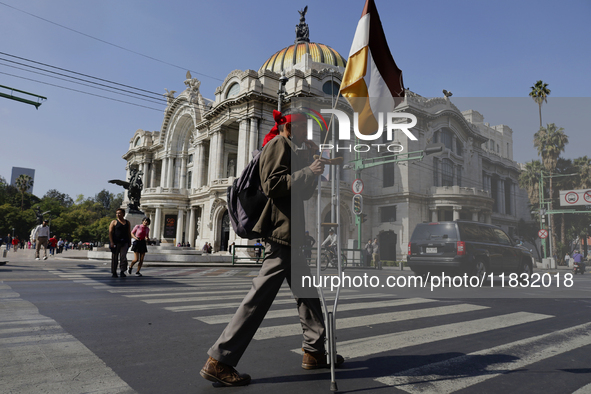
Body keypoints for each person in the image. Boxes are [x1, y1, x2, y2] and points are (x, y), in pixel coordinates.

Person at [200, 110, 342, 387]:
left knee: (308, 295)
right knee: (259, 299)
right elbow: (273, 185)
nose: (307, 134)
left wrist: (311, 167)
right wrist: (306, 170)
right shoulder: (278, 144)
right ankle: (220, 360)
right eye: (303, 129)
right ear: (289, 127)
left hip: (293, 235)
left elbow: (301, 192)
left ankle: (314, 352)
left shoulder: (294, 151)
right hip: (281, 234)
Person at [108, 208, 131, 278]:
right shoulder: (114, 222)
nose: (118, 215)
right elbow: (110, 232)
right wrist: (111, 242)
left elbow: (128, 233)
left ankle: (122, 271)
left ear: (123, 214)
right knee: (115, 257)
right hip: (116, 242)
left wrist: (129, 242)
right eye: (117, 213)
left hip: (124, 242)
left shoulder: (127, 222)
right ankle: (114, 272)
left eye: (119, 213)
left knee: (123, 257)